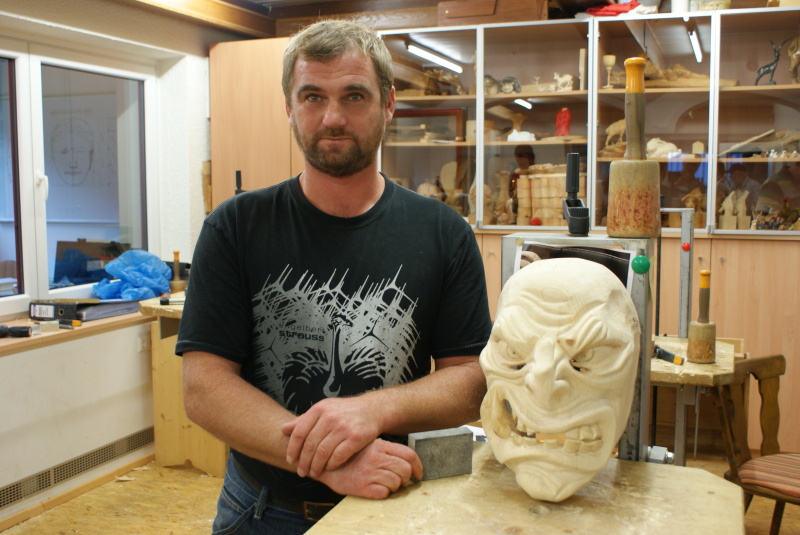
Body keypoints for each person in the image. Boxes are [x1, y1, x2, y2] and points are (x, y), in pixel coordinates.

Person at [175, 19, 492, 535]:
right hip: (263, 510)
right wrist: (327, 461)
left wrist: (373, 410)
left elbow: (472, 380)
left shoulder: (443, 232)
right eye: (313, 97)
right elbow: (204, 388)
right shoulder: (235, 226)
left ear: (388, 104)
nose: (333, 117)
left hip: (394, 504)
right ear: (289, 107)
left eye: (354, 96)